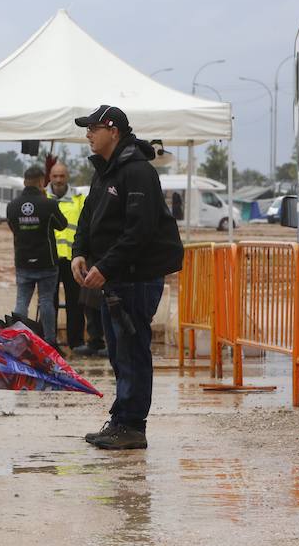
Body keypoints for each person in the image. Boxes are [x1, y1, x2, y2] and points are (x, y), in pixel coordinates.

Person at [71, 105, 183, 451]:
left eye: (93, 128)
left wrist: (105, 266)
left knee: (132, 350)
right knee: (119, 351)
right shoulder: (104, 171)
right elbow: (89, 217)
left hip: (136, 277)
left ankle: (134, 425)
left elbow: (140, 231)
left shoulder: (137, 172)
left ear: (113, 131)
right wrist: (79, 251)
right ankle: (122, 419)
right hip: (114, 277)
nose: (88, 135)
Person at [45, 163, 106, 356]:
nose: (58, 180)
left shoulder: (79, 199)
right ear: (50, 176)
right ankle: (49, 340)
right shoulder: (42, 198)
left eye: (62, 176)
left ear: (67, 176)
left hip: (74, 259)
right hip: (50, 259)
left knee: (76, 302)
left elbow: (86, 226)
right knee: (49, 302)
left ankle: (76, 341)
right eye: (55, 176)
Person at [7, 166, 66, 347]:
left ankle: (18, 341)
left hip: (23, 261)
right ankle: (50, 342)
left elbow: (13, 228)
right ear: (42, 182)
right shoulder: (49, 204)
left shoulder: (12, 206)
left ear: (25, 182)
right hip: (46, 261)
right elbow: (62, 225)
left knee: (21, 301)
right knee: (46, 300)